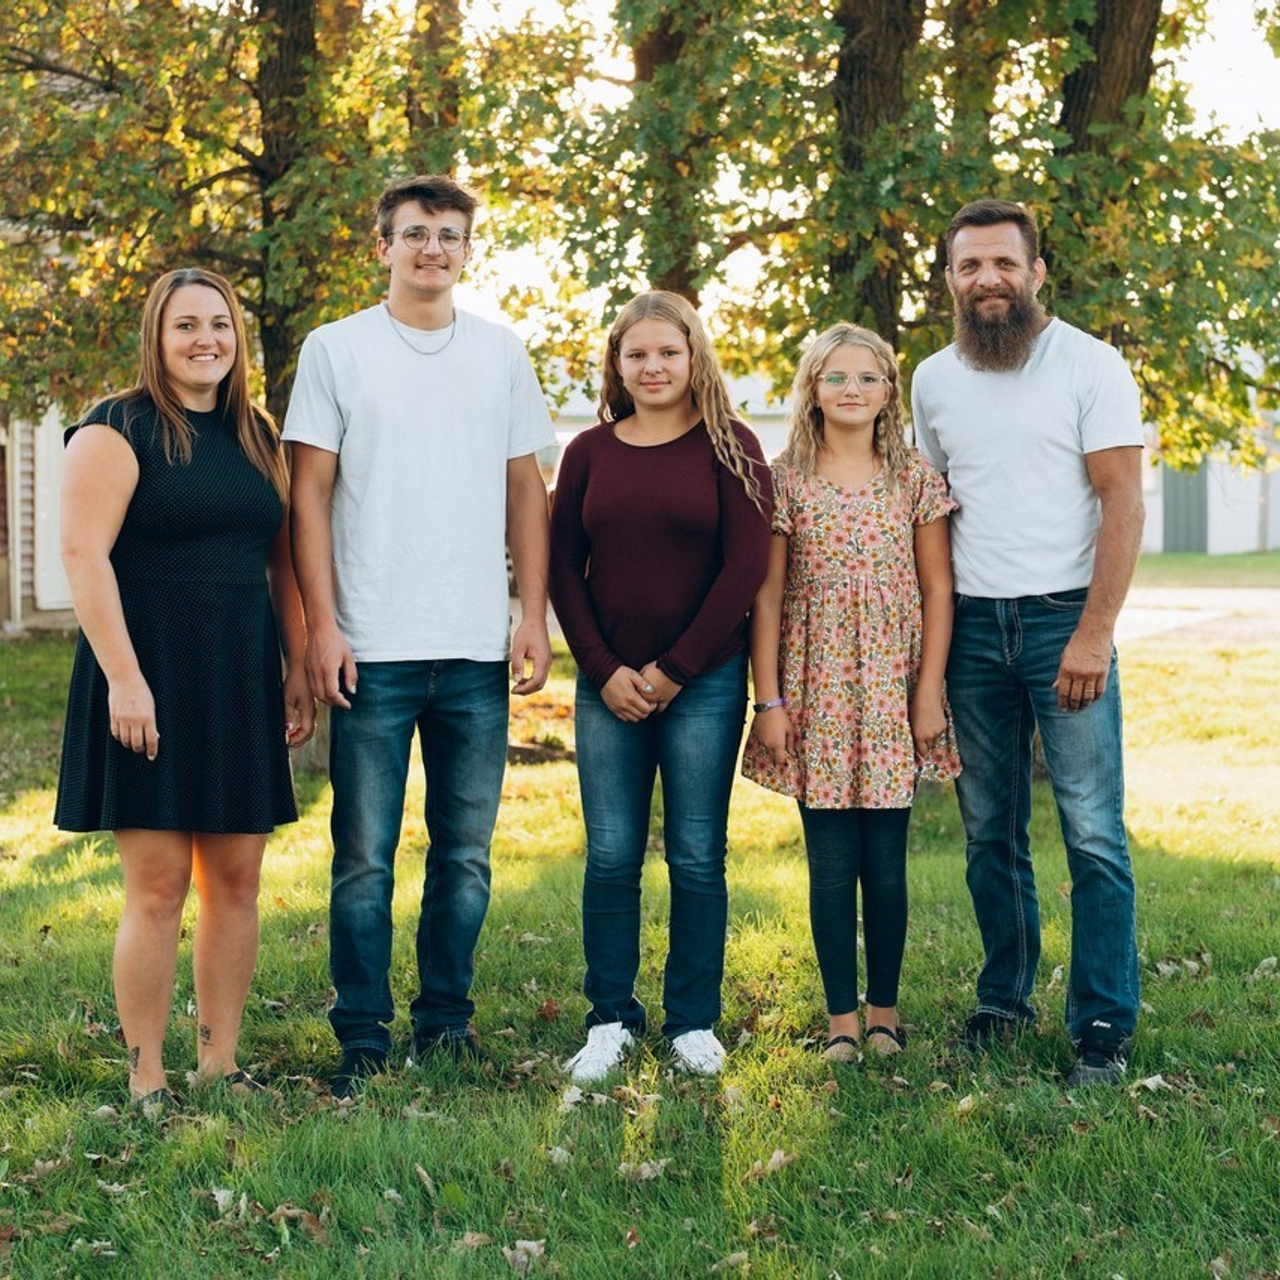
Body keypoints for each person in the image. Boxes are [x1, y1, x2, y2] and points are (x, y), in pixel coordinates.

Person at [285, 174, 555, 1098]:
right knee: (363, 855)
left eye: (449, 234)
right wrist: (323, 627)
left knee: (466, 852)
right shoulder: (336, 350)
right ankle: (361, 1034)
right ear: (384, 245)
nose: (432, 248)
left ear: (468, 250)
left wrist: (532, 613)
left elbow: (527, 489)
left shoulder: (500, 353)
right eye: (414, 234)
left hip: (475, 648)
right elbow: (307, 496)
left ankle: (445, 1022)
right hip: (371, 645)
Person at [55, 267, 313, 1114]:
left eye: (220, 325)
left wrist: (298, 668)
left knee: (236, 878)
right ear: (157, 339)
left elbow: (282, 564)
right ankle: (147, 1078)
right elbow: (83, 557)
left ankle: (220, 1065)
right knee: (159, 885)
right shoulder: (115, 428)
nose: (206, 340)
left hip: (238, 679)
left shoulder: (256, 434)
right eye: (186, 326)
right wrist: (126, 682)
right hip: (149, 676)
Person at [911, 198, 1145, 1086]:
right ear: (952, 280)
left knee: (1092, 833)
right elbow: (933, 514)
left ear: (1037, 271)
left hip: (1062, 622)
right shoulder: (931, 379)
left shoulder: (1091, 365)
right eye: (969, 267)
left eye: (1003, 264)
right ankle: (1003, 1000)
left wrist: (1093, 634)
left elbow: (1122, 502)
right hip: (971, 626)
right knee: (988, 833)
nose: (987, 280)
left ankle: (1101, 1027)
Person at [549, 291, 772, 1083]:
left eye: (667, 353)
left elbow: (746, 569)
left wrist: (675, 670)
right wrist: (604, 670)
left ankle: (691, 1023)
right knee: (610, 855)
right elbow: (559, 570)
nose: (652, 367)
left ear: (693, 358)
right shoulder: (588, 453)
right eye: (636, 354)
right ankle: (609, 1018)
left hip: (704, 684)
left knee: (697, 856)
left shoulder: (733, 447)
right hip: (606, 686)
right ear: (617, 364)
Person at [741, 324, 960, 1063]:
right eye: (835, 377)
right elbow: (767, 597)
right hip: (815, 692)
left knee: (887, 867)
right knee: (832, 867)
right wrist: (768, 702)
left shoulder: (915, 478)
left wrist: (927, 692)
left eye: (867, 378)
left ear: (888, 392)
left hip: (892, 692)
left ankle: (886, 1013)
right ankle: (840, 1018)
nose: (851, 390)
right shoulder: (784, 480)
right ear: (812, 388)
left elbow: (937, 588)